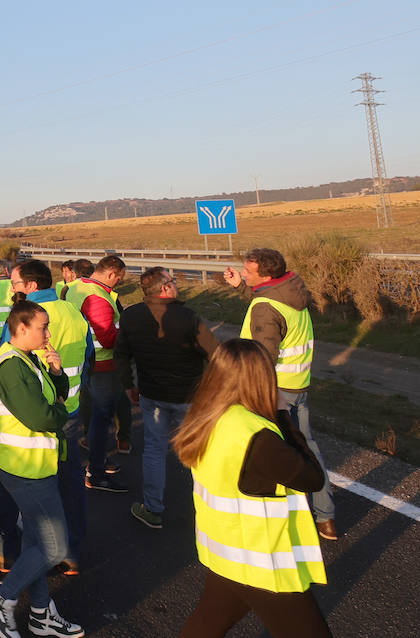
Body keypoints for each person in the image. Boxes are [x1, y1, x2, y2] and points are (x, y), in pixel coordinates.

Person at [174, 339, 331, 638]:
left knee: (207, 624)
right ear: (262, 380)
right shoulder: (256, 435)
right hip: (263, 564)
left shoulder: (207, 418)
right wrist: (284, 416)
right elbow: (312, 478)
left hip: (225, 551)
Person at [0, 301, 84, 638]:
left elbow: (59, 400)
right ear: (21, 328)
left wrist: (56, 373)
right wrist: (58, 415)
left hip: (38, 465)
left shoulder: (29, 360)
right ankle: (2, 598)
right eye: (43, 327)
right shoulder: (11, 365)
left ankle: (41, 615)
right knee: (54, 548)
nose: (48, 334)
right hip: (25, 469)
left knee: (36, 543)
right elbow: (44, 417)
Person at [224, 248, 336, 541]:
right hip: (299, 383)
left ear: (266, 275)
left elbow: (263, 353)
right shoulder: (292, 289)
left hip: (272, 389)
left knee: (275, 456)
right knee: (308, 447)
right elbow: (271, 308)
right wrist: (242, 288)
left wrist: (248, 388)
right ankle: (326, 517)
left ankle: (286, 522)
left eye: (248, 272)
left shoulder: (265, 306)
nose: (244, 274)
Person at [0, 259, 93, 576]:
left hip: (34, 419)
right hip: (70, 408)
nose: (12, 289)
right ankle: (71, 551)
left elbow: (7, 358)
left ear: (31, 286)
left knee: (13, 483)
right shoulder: (73, 311)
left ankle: (8, 551)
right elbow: (88, 353)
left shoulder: (23, 320)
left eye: (16, 284)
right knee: (70, 482)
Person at [116, 267, 218, 529]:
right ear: (164, 288)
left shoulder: (130, 316)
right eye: (172, 281)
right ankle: (213, 509)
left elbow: (122, 354)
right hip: (189, 397)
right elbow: (216, 355)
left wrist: (129, 385)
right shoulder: (188, 317)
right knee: (200, 451)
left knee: (154, 450)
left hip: (152, 394)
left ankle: (152, 508)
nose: (176, 285)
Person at [64, 255, 131, 492]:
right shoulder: (98, 298)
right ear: (111, 273)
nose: (118, 284)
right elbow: (108, 337)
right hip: (103, 364)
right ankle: (97, 471)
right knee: (102, 420)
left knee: (92, 416)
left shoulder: (74, 287)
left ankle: (99, 459)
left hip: (82, 359)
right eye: (119, 279)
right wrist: (128, 329)